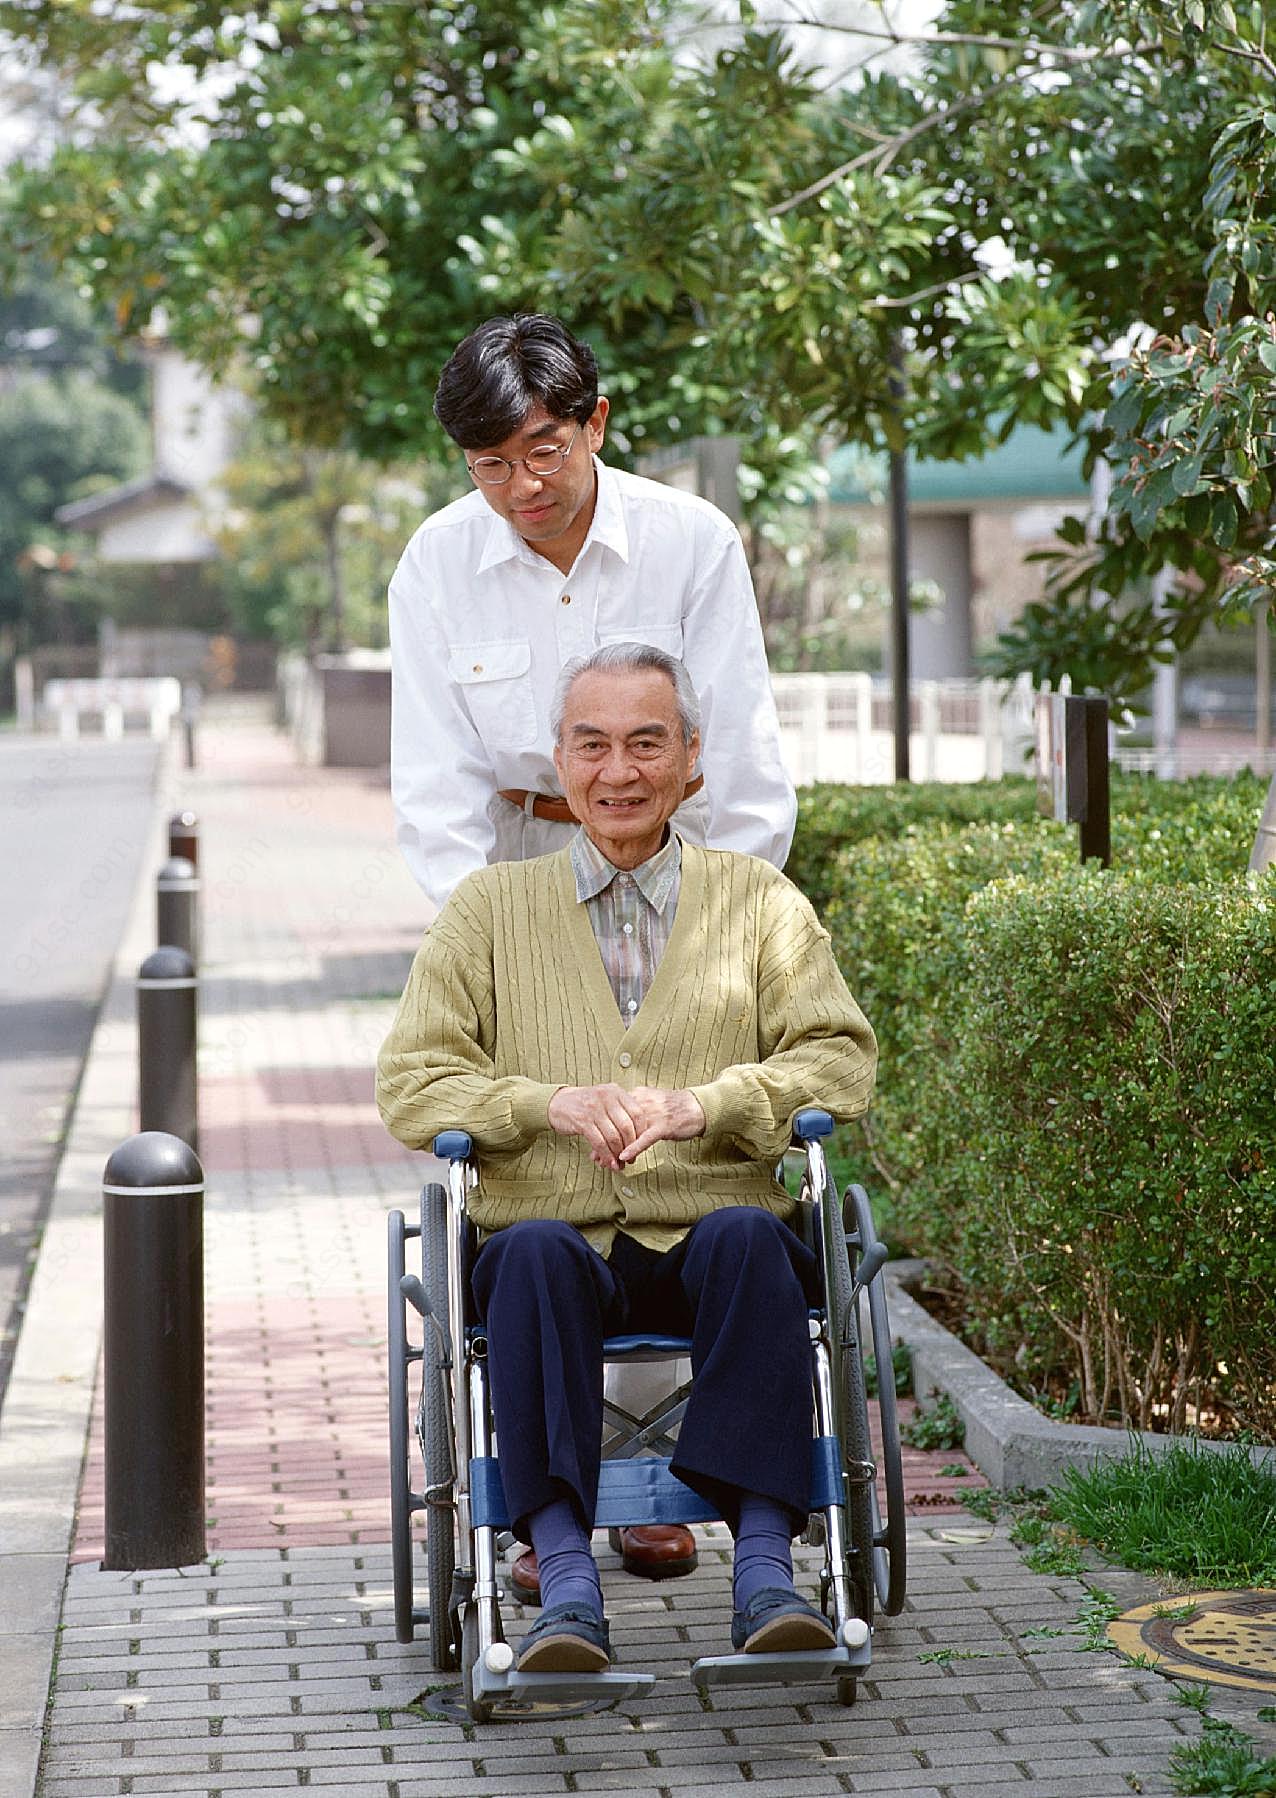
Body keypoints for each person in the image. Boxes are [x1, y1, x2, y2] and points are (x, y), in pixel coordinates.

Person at [387, 312, 797, 1595]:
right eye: (490, 463)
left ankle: (668, 1487)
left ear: (595, 426)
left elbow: (738, 749)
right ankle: (548, 1506)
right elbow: (437, 784)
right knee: (550, 1180)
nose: (522, 485)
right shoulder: (436, 564)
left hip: (682, 870)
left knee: (691, 1168)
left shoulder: (687, 540)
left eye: (543, 450)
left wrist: (715, 924)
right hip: (519, 882)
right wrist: (502, 945)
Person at [377, 645, 876, 1672]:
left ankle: (766, 1571)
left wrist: (713, 1102)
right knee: (528, 1257)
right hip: (547, 1230)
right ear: (558, 761)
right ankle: (562, 1577)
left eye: (646, 742)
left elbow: (839, 1056)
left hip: (711, 1224)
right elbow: (413, 1081)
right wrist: (541, 1102)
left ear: (691, 758)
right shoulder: (487, 910)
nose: (619, 771)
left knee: (749, 1238)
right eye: (592, 744)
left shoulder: (758, 901)